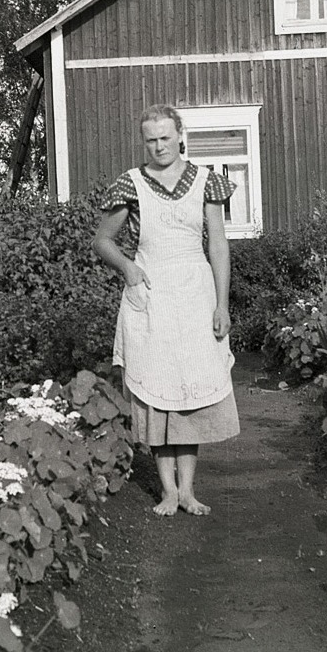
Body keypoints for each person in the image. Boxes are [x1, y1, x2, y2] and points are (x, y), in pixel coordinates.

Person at [92, 103, 240, 516]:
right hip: (151, 294)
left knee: (191, 389)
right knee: (158, 391)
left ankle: (188, 490)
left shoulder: (207, 183)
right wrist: (128, 268)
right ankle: (167, 491)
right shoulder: (131, 183)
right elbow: (102, 240)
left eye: (165, 137)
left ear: (180, 136)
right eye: (150, 140)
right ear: (145, 142)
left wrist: (221, 304)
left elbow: (218, 245)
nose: (158, 146)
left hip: (195, 295)